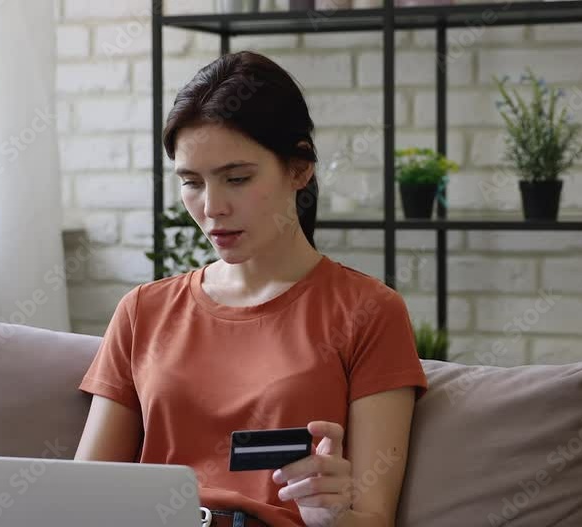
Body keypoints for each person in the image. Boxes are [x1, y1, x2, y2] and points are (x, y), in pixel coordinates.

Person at [73, 50, 428, 527]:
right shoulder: (142, 311)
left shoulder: (369, 312)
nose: (212, 207)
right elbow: (80, 497)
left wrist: (328, 515)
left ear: (300, 169)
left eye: (236, 178)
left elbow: (372, 519)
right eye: (191, 182)